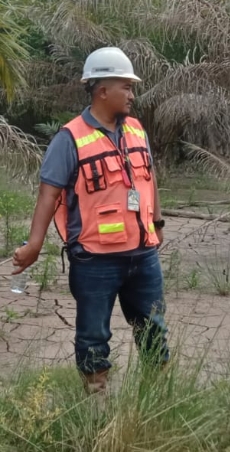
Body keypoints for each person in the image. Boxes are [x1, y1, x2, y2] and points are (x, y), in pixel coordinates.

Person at [12, 47, 169, 394]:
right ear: (102, 91)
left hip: (143, 255)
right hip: (95, 259)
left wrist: (156, 221)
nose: (131, 94)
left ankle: (156, 400)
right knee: (93, 336)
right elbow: (48, 195)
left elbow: (149, 175)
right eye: (125, 87)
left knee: (154, 328)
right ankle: (95, 400)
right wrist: (34, 244)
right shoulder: (69, 139)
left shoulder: (137, 130)